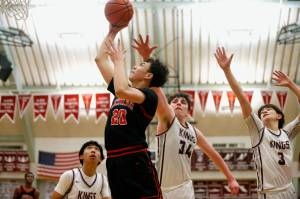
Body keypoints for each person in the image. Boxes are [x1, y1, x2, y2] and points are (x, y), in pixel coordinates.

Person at [132, 35, 240, 199]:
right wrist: (147, 59)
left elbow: (213, 154)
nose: (178, 103)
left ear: (189, 110)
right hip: (164, 189)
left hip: (185, 187)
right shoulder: (168, 119)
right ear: (169, 106)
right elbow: (156, 89)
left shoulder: (194, 132)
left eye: (183, 102)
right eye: (174, 101)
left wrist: (231, 178)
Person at [215, 47, 300, 199]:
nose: (264, 111)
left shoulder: (288, 133)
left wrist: (291, 85)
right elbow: (241, 96)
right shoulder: (259, 131)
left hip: (290, 190)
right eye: (261, 112)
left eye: (269, 109)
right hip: (270, 193)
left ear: (279, 116)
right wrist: (227, 70)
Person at [95, 26, 169, 199]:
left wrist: (119, 61)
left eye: (142, 64)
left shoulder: (149, 96)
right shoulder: (125, 88)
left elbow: (121, 90)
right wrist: (113, 30)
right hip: (113, 160)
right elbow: (100, 59)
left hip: (134, 158)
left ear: (149, 76)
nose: (136, 65)